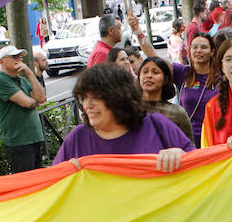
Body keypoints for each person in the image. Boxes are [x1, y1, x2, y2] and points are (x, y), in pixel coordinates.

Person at [52, 64, 194, 169]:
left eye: (95, 98)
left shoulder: (158, 125)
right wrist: (65, 173)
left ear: (118, 97)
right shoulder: (77, 137)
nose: (88, 105)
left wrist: (181, 155)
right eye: (84, 98)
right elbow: (50, 184)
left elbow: (199, 167)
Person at [136, 24, 218, 147]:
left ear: (212, 51)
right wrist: (138, 32)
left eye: (204, 47)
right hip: (187, 139)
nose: (199, 50)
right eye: (194, 47)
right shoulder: (182, 73)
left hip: (213, 141)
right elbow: (154, 58)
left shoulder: (221, 77)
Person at [0, 45, 46, 172]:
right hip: (19, 142)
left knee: (37, 182)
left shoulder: (22, 80)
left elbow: (41, 98)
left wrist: (29, 73)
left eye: (20, 57)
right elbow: (28, 103)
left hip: (34, 138)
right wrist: (33, 102)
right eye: (14, 56)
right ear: (1, 61)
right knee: (27, 185)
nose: (18, 59)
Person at [138, 57, 193, 138]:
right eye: (145, 72)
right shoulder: (131, 109)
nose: (149, 76)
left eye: (155, 72)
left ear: (165, 79)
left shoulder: (177, 113)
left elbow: (189, 147)